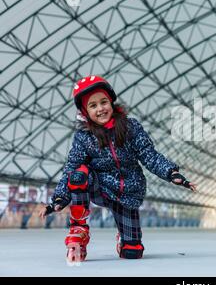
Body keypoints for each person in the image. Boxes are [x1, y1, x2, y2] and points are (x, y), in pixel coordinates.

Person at [39, 75, 197, 262]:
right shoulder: (84, 137)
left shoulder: (131, 128)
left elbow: (149, 154)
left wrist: (171, 173)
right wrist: (58, 199)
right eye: (93, 105)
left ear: (111, 102)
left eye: (103, 102)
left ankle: (125, 239)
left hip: (129, 193)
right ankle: (79, 229)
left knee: (133, 253)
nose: (100, 109)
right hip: (101, 187)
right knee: (78, 173)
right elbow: (71, 167)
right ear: (85, 111)